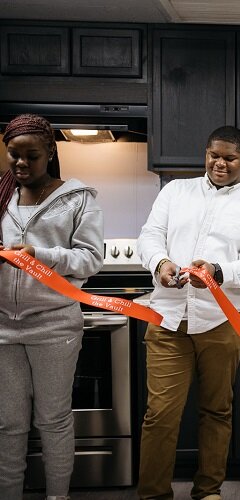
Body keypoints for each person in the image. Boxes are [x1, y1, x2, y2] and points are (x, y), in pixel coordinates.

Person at [136, 126, 240, 500]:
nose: (220, 163)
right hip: (167, 319)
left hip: (224, 321)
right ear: (206, 153)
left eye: (230, 158)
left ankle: (208, 491)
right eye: (214, 155)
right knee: (160, 414)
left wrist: (219, 272)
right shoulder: (174, 191)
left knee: (216, 410)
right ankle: (153, 495)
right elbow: (149, 236)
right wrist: (160, 262)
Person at [0, 114, 104, 500]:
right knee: (8, 425)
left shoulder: (78, 199)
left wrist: (38, 255)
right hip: (3, 328)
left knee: (53, 420)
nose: (21, 164)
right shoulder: (0, 195)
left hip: (55, 325)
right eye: (14, 155)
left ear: (50, 153)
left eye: (32, 156)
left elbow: (90, 260)